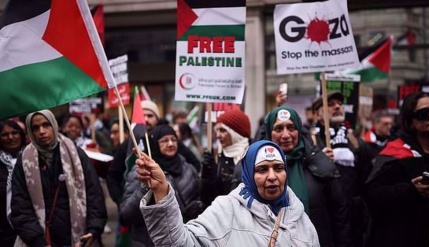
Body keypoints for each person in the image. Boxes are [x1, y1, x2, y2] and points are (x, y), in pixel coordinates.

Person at [137, 140, 320, 246]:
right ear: (248, 174)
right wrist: (161, 190)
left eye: (278, 168)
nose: (272, 176)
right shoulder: (227, 210)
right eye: (262, 169)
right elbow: (179, 243)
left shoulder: (301, 219)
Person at [10, 110, 107, 247]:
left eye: (46, 125)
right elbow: (20, 206)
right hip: (42, 239)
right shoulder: (24, 161)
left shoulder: (76, 154)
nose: (42, 131)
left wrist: (94, 229)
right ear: (30, 132)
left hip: (77, 238)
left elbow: (94, 194)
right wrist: (38, 241)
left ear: (54, 126)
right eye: (35, 128)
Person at [263, 106, 351, 247]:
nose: (286, 135)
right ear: (269, 132)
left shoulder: (321, 165)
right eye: (279, 129)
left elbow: (339, 216)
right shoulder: (255, 170)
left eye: (291, 128)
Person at [365, 92, 429, 247]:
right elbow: (372, 196)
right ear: (410, 121)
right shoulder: (395, 153)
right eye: (424, 114)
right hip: (407, 236)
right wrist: (410, 190)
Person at [119, 125, 202, 246]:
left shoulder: (188, 168)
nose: (170, 144)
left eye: (173, 139)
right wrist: (146, 189)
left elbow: (200, 198)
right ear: (154, 144)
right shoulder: (142, 170)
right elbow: (126, 216)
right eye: (164, 140)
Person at [312, 91, 374, 247]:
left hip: (353, 216)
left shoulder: (355, 142)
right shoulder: (310, 142)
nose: (337, 106)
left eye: (339, 104)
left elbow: (369, 178)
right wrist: (319, 158)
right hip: (325, 216)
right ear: (317, 115)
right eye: (330, 104)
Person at [201, 109, 251, 206]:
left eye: (223, 130)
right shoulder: (216, 155)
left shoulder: (253, 155)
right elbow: (209, 198)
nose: (218, 135)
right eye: (217, 130)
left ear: (236, 133)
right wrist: (207, 176)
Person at [0, 120, 26, 246]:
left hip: (29, 229)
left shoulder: (33, 159)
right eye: (5, 134)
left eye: (14, 133)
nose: (10, 137)